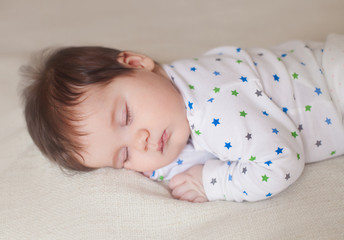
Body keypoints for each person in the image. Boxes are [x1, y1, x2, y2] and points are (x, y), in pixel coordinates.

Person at [21, 34, 344, 203]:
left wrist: (210, 182)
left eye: (126, 116)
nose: (141, 141)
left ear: (136, 62)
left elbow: (281, 162)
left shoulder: (214, 105)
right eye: (123, 155)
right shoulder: (171, 87)